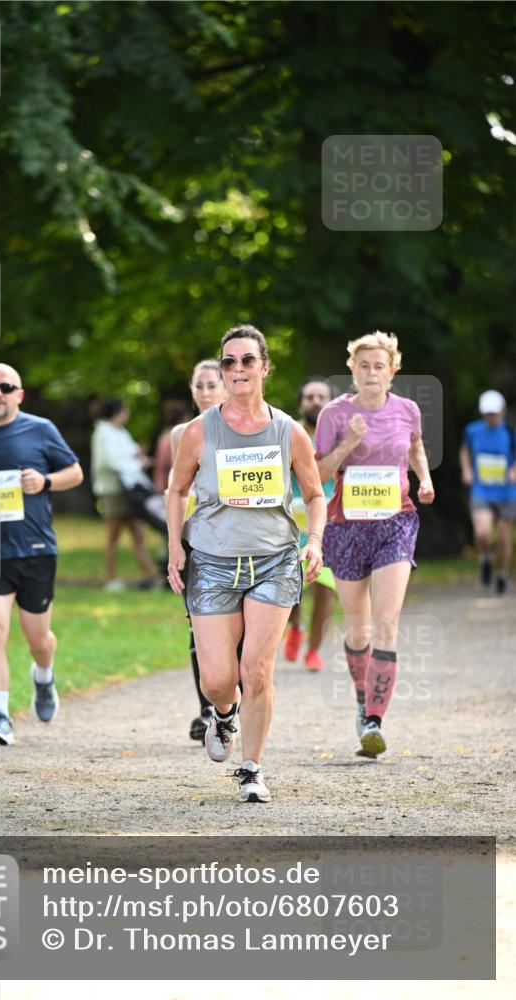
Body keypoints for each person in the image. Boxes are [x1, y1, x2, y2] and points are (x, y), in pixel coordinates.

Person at [167, 325, 325, 803]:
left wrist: (313, 541)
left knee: (256, 669)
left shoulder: (288, 431)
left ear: (264, 367)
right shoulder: (199, 431)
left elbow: (315, 494)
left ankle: (251, 768)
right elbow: (176, 491)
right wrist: (176, 546)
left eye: (246, 361)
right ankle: (223, 713)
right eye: (229, 362)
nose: (237, 369)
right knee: (218, 679)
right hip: (212, 562)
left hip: (274, 560)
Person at [315, 331, 435, 759]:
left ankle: (375, 720)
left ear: (392, 370)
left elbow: (416, 446)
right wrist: (349, 442)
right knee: (358, 628)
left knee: (387, 622)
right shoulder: (333, 414)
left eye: (378, 366)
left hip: (395, 523)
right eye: (363, 365)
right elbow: (318, 474)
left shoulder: (407, 410)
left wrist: (424, 479)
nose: (370, 373)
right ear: (352, 368)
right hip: (346, 528)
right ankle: (363, 702)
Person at [0, 363, 84, 746]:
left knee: (37, 638)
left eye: (6, 387)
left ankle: (43, 675)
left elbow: (74, 472)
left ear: (18, 394)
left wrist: (44, 481)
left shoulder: (40, 430)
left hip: (36, 548)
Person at [169, 360, 228, 741]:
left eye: (213, 385)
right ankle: (207, 709)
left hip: (239, 539)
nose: (206, 392)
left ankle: (229, 703)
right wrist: (175, 542)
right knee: (197, 624)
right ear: (193, 390)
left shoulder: (248, 431)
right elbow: (176, 491)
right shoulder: (182, 434)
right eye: (200, 386)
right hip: (197, 537)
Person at [284, 378, 337, 671]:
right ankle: (295, 626)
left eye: (321, 396)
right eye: (309, 396)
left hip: (327, 523)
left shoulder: (340, 437)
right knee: (288, 589)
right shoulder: (288, 433)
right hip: (289, 524)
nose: (315, 401)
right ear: (301, 402)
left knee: (325, 588)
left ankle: (314, 650)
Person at [90, 397, 161, 591]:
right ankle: (111, 578)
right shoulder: (103, 433)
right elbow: (112, 462)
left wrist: (138, 455)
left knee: (138, 534)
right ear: (118, 412)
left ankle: (152, 576)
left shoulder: (119, 432)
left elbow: (127, 455)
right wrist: (138, 462)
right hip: (112, 491)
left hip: (129, 491)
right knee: (113, 536)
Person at [459, 390, 516, 595]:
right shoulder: (473, 430)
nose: (491, 417)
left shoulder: (510, 432)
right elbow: (464, 451)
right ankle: (485, 559)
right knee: (482, 532)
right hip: (481, 489)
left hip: (507, 492)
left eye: (494, 413)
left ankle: (501, 574)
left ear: (501, 412)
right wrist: (466, 470)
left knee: (503, 536)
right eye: (487, 413)